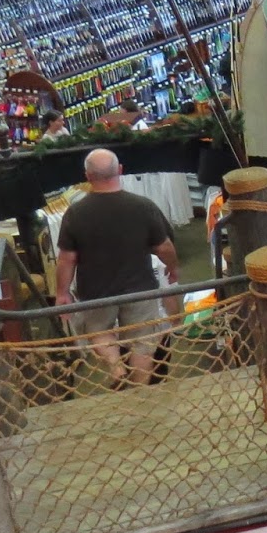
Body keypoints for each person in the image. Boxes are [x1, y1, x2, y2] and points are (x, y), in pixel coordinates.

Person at [55, 149, 180, 388]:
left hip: (95, 291)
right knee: (142, 342)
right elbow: (164, 246)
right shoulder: (143, 206)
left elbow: (66, 259)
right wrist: (172, 268)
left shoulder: (75, 213)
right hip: (140, 288)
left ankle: (115, 364)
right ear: (120, 170)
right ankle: (140, 392)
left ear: (87, 176)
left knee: (97, 332)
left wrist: (62, 293)